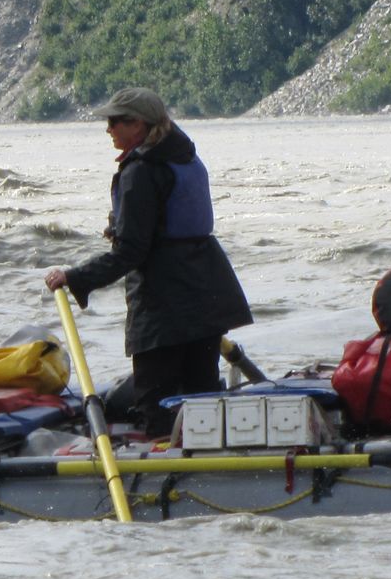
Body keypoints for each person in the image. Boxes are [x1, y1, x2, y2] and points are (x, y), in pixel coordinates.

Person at [43, 87, 253, 435]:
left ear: (138, 125)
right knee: (201, 395)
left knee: (156, 402)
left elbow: (130, 252)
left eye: (114, 122)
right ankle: (204, 465)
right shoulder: (184, 156)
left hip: (164, 303)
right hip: (208, 292)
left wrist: (75, 277)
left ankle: (163, 468)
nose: (108, 129)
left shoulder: (139, 171)